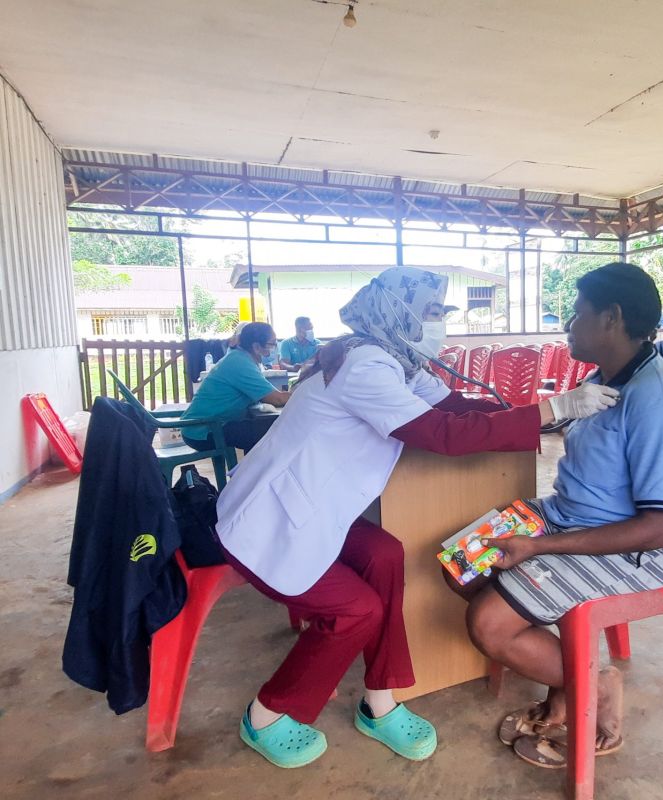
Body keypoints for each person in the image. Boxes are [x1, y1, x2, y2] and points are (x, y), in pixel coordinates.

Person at [214, 266, 619, 769]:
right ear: (396, 312)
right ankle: (267, 713)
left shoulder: (396, 360)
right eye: (430, 313)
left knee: (385, 554)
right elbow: (444, 435)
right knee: (356, 611)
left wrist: (542, 409)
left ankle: (379, 701)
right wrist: (552, 406)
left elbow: (456, 407)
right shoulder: (365, 365)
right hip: (270, 522)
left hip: (317, 511)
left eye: (440, 313)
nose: (439, 324)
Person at [457, 263, 663, 770]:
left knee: (488, 624)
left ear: (612, 318)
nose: (569, 325)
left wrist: (538, 546)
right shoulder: (607, 376)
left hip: (641, 549)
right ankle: (571, 678)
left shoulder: (656, 400)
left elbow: (658, 526)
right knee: (463, 561)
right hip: (573, 517)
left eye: (578, 313)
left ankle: (596, 686)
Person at [180, 321, 290, 453]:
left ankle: (251, 472)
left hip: (208, 425)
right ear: (256, 347)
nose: (274, 349)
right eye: (271, 344)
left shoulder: (240, 358)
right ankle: (254, 472)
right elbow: (276, 399)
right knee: (268, 432)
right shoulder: (240, 363)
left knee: (260, 429)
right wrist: (302, 392)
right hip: (203, 430)